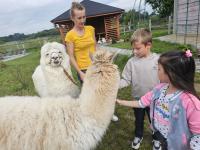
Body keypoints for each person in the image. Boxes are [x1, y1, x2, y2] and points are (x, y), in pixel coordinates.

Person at [117, 50, 200, 150]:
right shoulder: (159, 89)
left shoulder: (191, 103)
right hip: (163, 138)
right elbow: (141, 102)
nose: (157, 71)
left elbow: (198, 135)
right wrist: (120, 102)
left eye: (159, 69)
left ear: (170, 73)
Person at [118, 28, 159, 149]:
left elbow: (165, 80)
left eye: (138, 48)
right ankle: (138, 135)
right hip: (138, 100)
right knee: (139, 120)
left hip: (155, 100)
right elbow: (125, 80)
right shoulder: (131, 62)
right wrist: (113, 86)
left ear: (148, 45)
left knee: (155, 121)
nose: (134, 51)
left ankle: (157, 138)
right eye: (133, 48)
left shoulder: (158, 60)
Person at [65, 2, 96, 84]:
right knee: (90, 95)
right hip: (84, 70)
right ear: (72, 18)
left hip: (96, 65)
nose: (82, 20)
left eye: (84, 17)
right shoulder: (70, 35)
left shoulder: (91, 29)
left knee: (101, 92)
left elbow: (95, 47)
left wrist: (99, 63)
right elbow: (71, 57)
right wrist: (80, 73)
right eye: (79, 18)